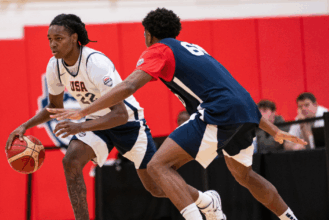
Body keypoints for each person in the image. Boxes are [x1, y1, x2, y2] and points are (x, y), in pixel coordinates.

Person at [48, 8, 308, 220]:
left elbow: (128, 86)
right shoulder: (192, 49)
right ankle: (289, 218)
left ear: (149, 34)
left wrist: (83, 111)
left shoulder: (159, 50)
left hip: (218, 112)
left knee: (158, 165)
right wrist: (272, 129)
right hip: (245, 111)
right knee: (245, 175)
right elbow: (235, 94)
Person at [6, 14, 225, 220]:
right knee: (71, 160)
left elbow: (119, 114)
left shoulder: (95, 63)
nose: (53, 44)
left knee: (157, 187)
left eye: (59, 39)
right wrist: (25, 126)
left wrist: (79, 125)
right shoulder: (55, 66)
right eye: (50, 39)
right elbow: (54, 106)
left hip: (128, 123)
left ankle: (206, 200)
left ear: (74, 38)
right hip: (96, 124)